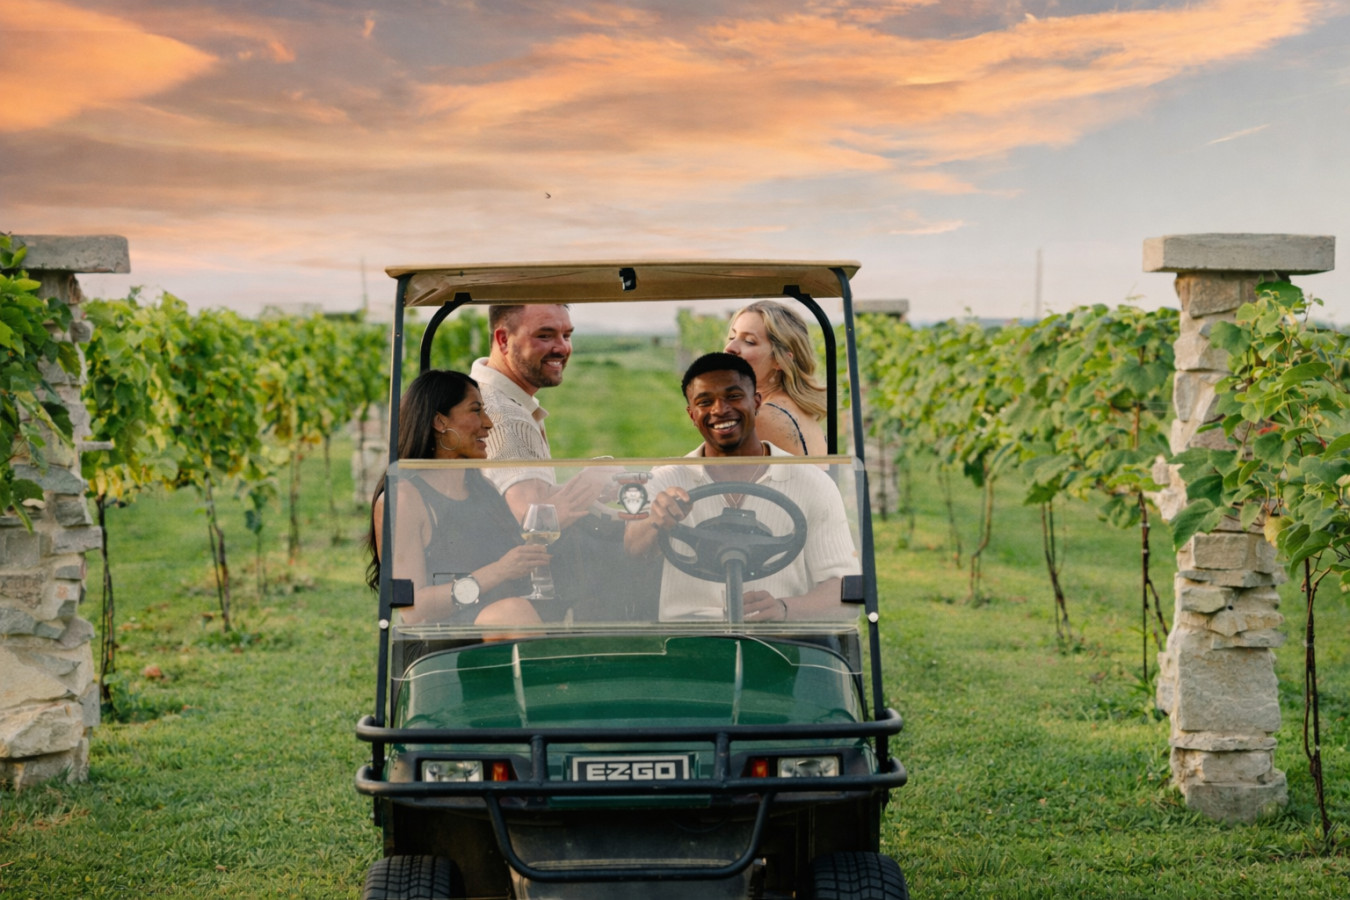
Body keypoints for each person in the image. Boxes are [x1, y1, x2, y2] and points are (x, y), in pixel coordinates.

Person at [625, 353, 858, 622]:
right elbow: (632, 549)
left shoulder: (811, 482)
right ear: (692, 414)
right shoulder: (666, 480)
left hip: (779, 636)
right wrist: (655, 520)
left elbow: (845, 592)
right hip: (688, 636)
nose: (720, 409)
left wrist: (784, 609)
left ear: (756, 402)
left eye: (733, 396)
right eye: (705, 402)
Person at [365, 370, 545, 626]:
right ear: (440, 422)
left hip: (504, 624)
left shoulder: (482, 488)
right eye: (476, 411)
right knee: (514, 613)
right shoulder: (403, 499)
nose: (488, 423)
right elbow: (412, 609)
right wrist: (499, 571)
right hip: (443, 637)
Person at [469, 304, 608, 525]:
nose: (562, 348)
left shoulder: (484, 395)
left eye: (566, 336)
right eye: (545, 336)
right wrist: (590, 482)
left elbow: (528, 496)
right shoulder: (507, 418)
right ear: (503, 340)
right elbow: (534, 522)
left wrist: (598, 487)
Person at [723, 300, 828, 456]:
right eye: (732, 337)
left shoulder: (762, 419)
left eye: (749, 341)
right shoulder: (800, 411)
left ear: (780, 360)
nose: (729, 348)